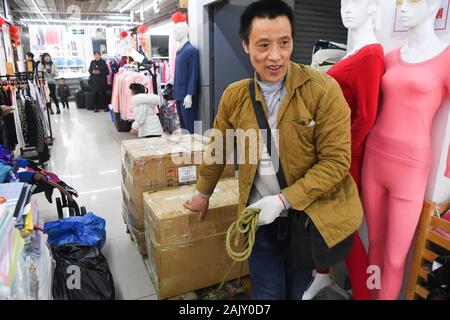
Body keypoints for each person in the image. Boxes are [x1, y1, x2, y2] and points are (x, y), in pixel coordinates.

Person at [183, 0, 363, 300]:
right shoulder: (235, 95)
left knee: (296, 290)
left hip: (306, 218)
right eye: (263, 45)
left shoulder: (322, 90)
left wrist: (282, 201)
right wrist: (203, 193)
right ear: (246, 45)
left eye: (284, 42)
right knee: (266, 292)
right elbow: (219, 148)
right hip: (259, 220)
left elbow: (336, 162)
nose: (275, 56)